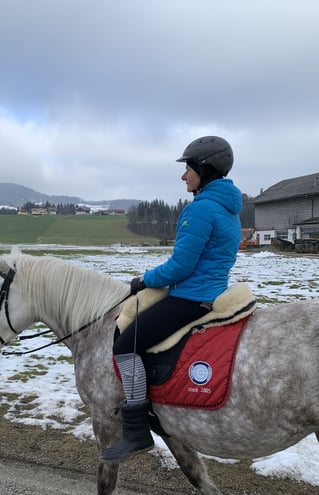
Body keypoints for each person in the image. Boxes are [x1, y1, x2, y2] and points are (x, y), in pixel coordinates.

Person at [101, 136, 243, 463]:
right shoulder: (229, 209)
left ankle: (136, 429)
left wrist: (143, 280)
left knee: (126, 343)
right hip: (214, 293)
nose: (183, 176)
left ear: (204, 170)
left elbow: (180, 266)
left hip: (190, 297)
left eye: (188, 168)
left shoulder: (201, 209)